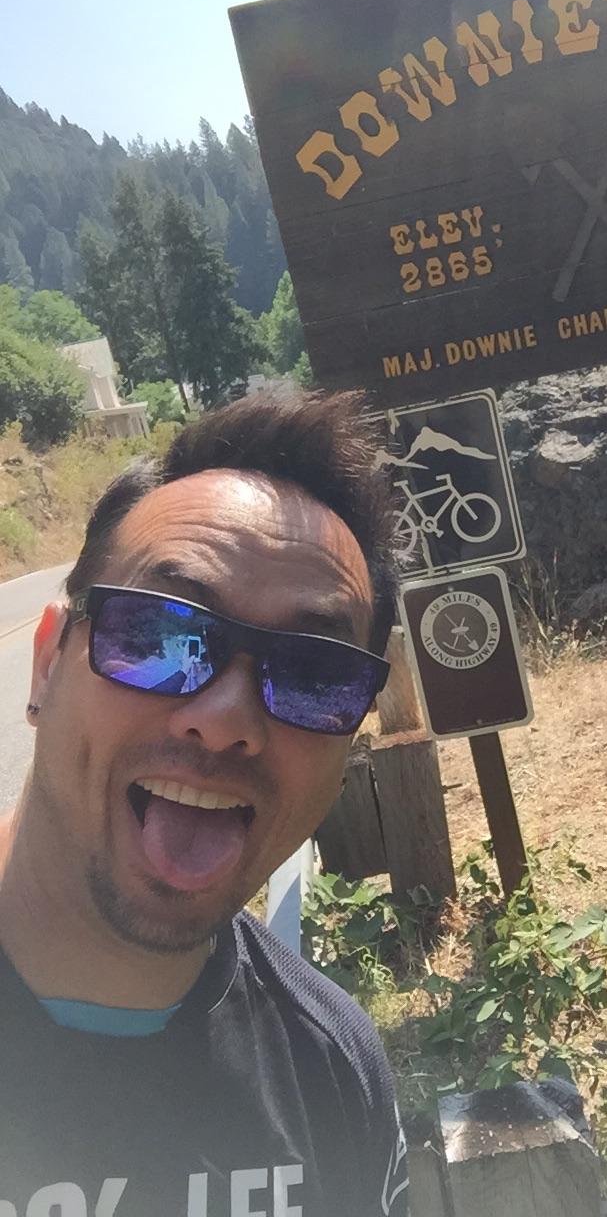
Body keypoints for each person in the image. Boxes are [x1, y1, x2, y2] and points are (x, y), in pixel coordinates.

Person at [0, 387, 410, 1217]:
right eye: (158, 636)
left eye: (312, 676)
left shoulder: (331, 1070)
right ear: (47, 665)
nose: (227, 723)